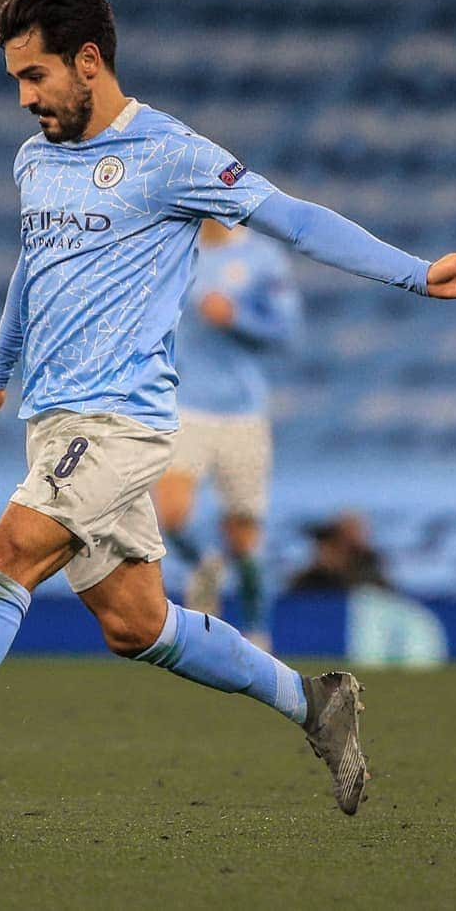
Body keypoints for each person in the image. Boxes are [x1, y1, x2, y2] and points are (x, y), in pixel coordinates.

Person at [0, 0, 456, 817]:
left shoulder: (172, 155)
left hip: (120, 421)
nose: (24, 99)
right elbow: (32, 270)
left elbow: (297, 222)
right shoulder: (35, 161)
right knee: (138, 625)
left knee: (10, 555)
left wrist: (418, 274)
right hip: (53, 421)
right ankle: (316, 703)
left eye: (36, 77)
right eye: (16, 80)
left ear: (88, 62)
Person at [153, 217, 302, 650]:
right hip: (186, 405)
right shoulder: (176, 252)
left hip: (243, 413)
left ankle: (257, 633)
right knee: (174, 513)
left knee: (244, 534)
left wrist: (236, 316)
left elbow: (287, 332)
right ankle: (205, 564)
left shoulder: (261, 258)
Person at [290, 511, 390, 593]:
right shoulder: (307, 581)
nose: (323, 550)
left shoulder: (372, 583)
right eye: (321, 543)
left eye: (333, 542)